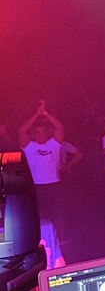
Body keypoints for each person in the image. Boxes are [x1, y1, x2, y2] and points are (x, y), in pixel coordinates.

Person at [19, 101, 78, 241]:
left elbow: (60, 127)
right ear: (34, 134)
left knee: (58, 213)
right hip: (36, 186)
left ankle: (60, 239)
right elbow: (21, 130)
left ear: (47, 133)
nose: (40, 135)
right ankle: (38, 240)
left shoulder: (54, 144)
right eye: (37, 132)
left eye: (43, 132)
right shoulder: (29, 147)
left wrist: (45, 114)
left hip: (53, 185)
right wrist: (36, 114)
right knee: (37, 213)